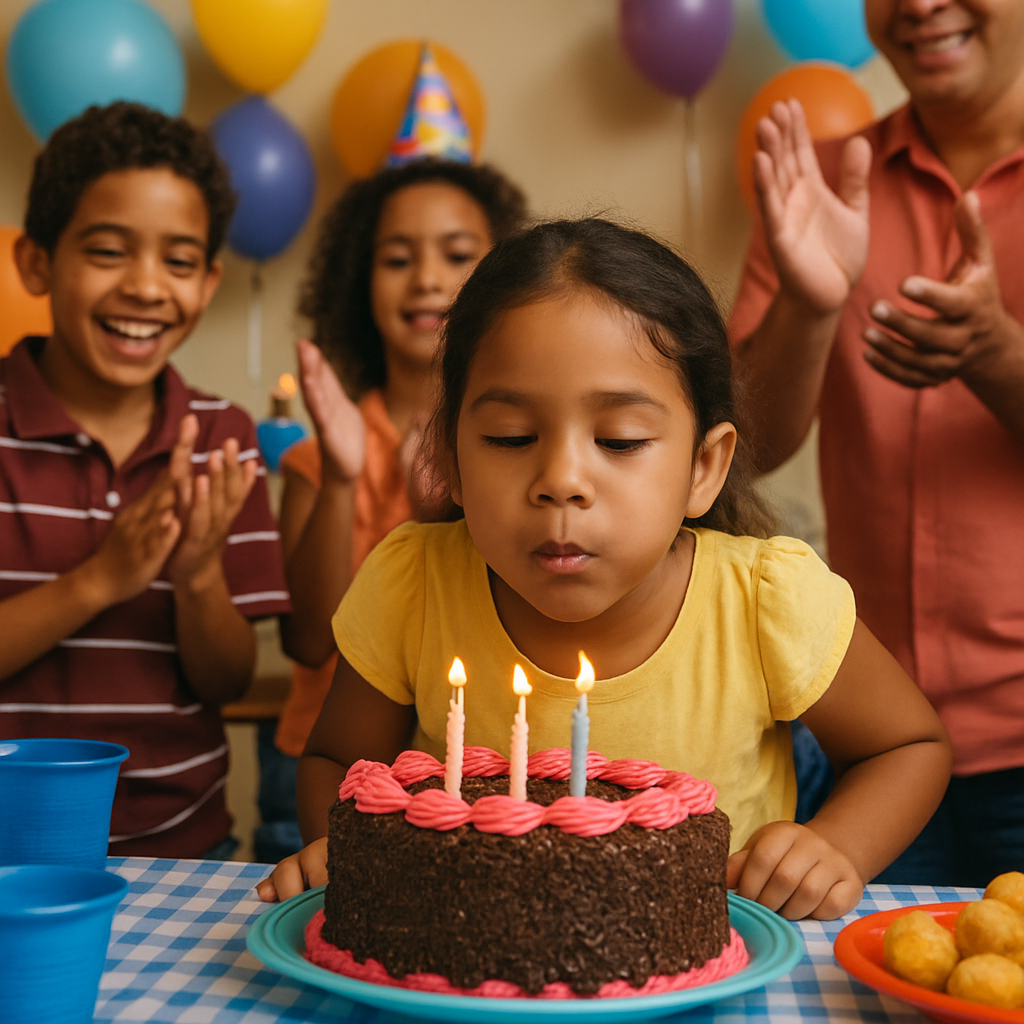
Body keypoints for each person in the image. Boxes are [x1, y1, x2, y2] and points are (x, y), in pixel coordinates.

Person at [257, 217, 951, 918]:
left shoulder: (764, 599)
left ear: (703, 468)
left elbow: (909, 746)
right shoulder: (413, 585)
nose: (561, 480)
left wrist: (834, 844)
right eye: (511, 437)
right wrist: (344, 846)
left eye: (619, 440)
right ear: (451, 462)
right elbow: (338, 764)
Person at [729, 0, 1024, 885]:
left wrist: (997, 357)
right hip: (872, 746)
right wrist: (809, 302)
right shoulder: (817, 184)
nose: (921, 6)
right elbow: (746, 446)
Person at [0, 102, 291, 859]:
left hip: (183, 847)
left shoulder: (223, 437)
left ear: (209, 281)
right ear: (36, 261)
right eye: (108, 251)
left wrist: (197, 579)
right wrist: (99, 580)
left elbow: (226, 682)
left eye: (179, 261)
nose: (147, 287)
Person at [258, 160, 527, 862]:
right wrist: (341, 478)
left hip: (467, 767)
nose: (427, 278)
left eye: (457, 255)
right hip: (323, 771)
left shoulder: (523, 454)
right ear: (360, 283)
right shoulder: (319, 458)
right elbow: (307, 642)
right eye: (398, 259)